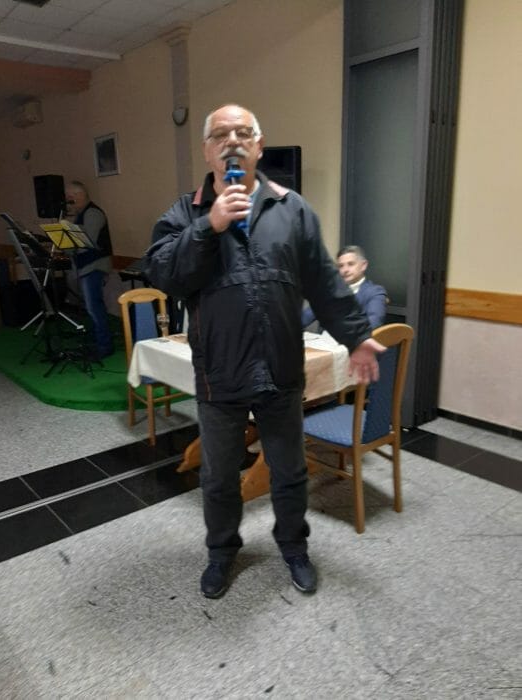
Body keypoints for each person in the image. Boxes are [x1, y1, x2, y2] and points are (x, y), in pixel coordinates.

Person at [143, 104, 384, 599]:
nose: (232, 140)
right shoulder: (185, 212)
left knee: (289, 472)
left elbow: (324, 282)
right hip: (219, 374)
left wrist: (357, 336)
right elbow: (164, 273)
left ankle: (294, 547)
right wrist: (208, 225)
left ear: (258, 145)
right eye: (220, 134)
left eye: (242, 132)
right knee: (219, 478)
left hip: (281, 370)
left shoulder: (292, 209)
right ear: (207, 150)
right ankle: (221, 552)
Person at [64, 181, 114, 358]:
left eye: (70, 197)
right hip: (86, 266)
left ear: (79, 195)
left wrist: (68, 238)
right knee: (91, 306)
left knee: (94, 307)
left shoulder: (92, 213)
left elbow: (87, 242)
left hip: (95, 266)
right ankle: (96, 341)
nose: (68, 201)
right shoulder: (81, 214)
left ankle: (104, 346)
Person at [302, 245, 388, 330]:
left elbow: (374, 324)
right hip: (322, 339)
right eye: (340, 266)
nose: (345, 270)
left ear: (363, 265)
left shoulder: (375, 292)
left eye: (351, 264)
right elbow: (305, 317)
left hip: (353, 338)